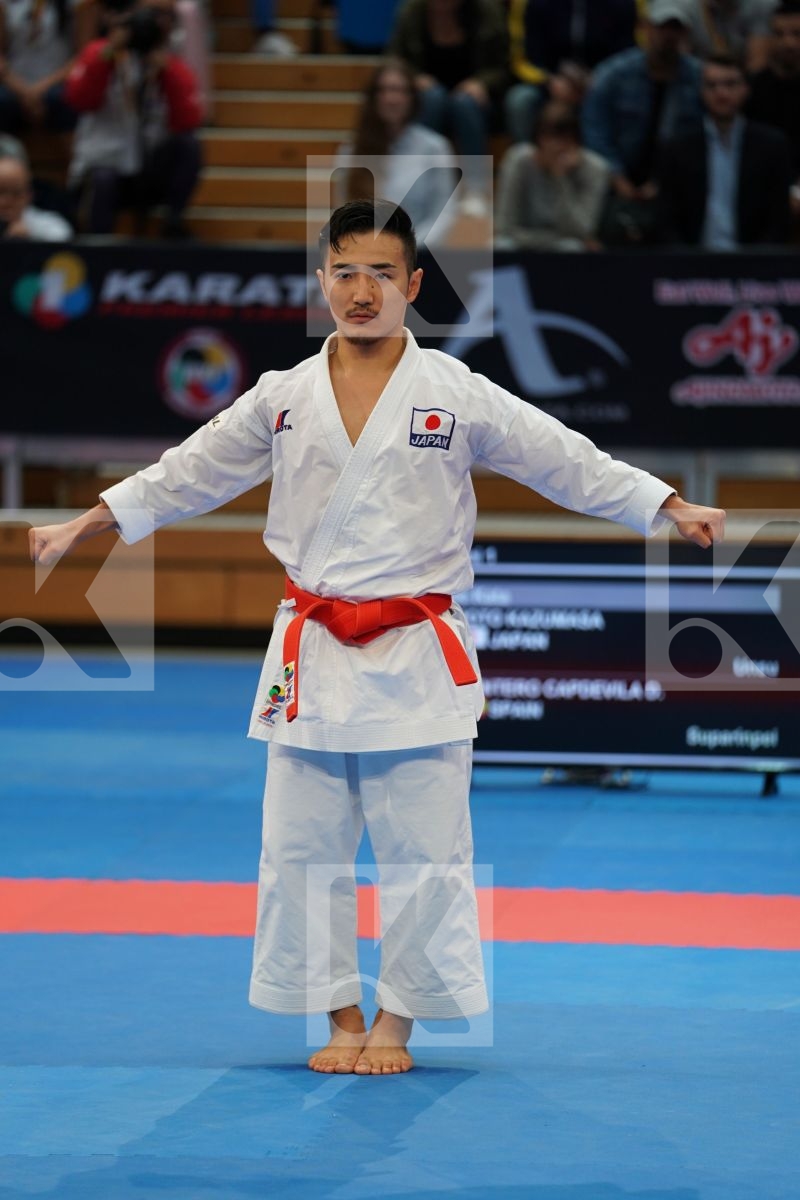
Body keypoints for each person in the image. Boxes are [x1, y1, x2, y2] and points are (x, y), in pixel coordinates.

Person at [29, 199, 726, 1075]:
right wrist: (84, 524)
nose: (363, 291)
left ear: (415, 285)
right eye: (346, 272)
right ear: (323, 281)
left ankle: (397, 1021)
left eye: (382, 274)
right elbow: (186, 473)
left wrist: (664, 502)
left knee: (427, 847)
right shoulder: (282, 395)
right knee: (297, 845)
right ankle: (339, 1013)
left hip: (415, 648)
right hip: (311, 646)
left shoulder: (453, 391)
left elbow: (562, 455)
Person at [64, 0, 203, 236]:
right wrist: (109, 53)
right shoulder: (97, 54)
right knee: (103, 179)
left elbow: (189, 120)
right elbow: (79, 100)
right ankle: (98, 249)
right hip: (105, 166)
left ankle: (173, 224)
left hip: (145, 167)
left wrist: (166, 73)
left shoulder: (170, 65)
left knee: (189, 146)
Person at [582, 0, 703, 244]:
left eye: (675, 28)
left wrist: (662, 181)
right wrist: (617, 178)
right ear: (645, 28)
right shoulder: (612, 74)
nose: (667, 35)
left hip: (673, 183)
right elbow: (595, 131)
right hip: (614, 177)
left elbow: (698, 141)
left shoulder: (699, 78)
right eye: (661, 27)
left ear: (686, 33)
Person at [658, 52, 792, 246]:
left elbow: (779, 220)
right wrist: (683, 262)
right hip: (690, 264)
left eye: (730, 84)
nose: (721, 93)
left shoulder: (772, 145)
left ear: (746, 88)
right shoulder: (677, 147)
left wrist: (757, 264)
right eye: (711, 85)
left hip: (753, 265)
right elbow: (666, 218)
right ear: (701, 91)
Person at [388, 0, 509, 215]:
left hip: (476, 104)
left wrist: (482, 83)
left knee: (464, 103)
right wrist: (414, 78)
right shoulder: (411, 13)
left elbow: (502, 66)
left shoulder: (487, 12)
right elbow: (395, 59)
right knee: (432, 98)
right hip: (429, 101)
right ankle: (424, 183)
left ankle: (475, 189)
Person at [334, 58, 458, 247]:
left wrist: (406, 250)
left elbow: (444, 213)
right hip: (365, 258)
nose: (391, 99)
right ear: (373, 97)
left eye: (399, 90)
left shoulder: (435, 147)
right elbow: (342, 213)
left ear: (411, 98)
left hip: (419, 256)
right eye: (384, 90)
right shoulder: (351, 151)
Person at [504, 0, 639, 144]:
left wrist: (599, 83)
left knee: (634, 97)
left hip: (605, 85)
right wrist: (549, 82)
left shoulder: (623, 4)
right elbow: (525, 58)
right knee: (520, 100)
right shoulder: (534, 4)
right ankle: (529, 161)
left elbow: (629, 55)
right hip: (552, 84)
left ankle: (611, 163)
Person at [495, 100, 610, 249]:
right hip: (523, 244)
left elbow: (582, 230)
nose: (554, 147)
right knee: (501, 245)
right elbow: (504, 227)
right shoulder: (518, 160)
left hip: (562, 247)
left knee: (572, 247)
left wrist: (560, 178)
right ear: (536, 141)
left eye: (563, 140)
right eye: (546, 138)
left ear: (576, 143)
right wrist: (546, 240)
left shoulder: (595, 169)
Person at [0, 0, 94, 134]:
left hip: (58, 82)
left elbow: (83, 55)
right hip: (15, 84)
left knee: (64, 100)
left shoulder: (78, 4)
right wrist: (24, 92)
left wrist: (39, 90)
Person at [746, 0, 800, 217]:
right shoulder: (752, 89)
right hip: (761, 188)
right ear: (769, 38)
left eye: (797, 34)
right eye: (780, 34)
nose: (789, 43)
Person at [0, 133, 72, 237]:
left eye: (16, 193)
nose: (6, 201)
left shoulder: (51, 226)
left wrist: (29, 237)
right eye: (0, 192)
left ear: (29, 194)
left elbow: (62, 237)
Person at [679, 0, 778, 73]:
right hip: (702, 81)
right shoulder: (688, 8)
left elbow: (757, 64)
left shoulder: (761, 5)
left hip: (745, 83)